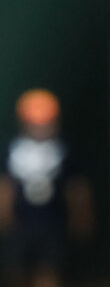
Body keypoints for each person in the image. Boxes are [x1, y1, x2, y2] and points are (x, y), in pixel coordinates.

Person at [0, 89, 93, 287]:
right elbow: (5, 186)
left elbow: (76, 187)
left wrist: (81, 216)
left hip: (53, 221)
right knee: (16, 269)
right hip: (21, 221)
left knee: (50, 268)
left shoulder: (65, 149)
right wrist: (4, 214)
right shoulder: (10, 149)